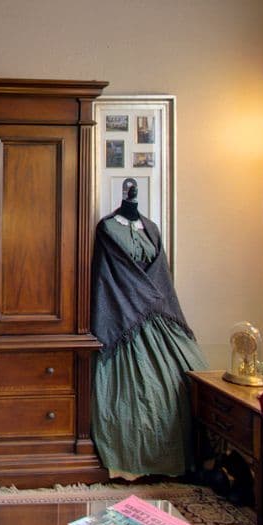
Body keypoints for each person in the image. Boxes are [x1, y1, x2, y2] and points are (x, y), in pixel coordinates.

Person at [89, 178, 206, 479]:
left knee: (188, 378)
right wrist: (144, 298)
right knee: (132, 398)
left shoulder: (151, 228)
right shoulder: (107, 228)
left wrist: (155, 300)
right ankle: (131, 461)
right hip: (124, 310)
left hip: (157, 312)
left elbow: (160, 273)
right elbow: (111, 275)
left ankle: (187, 460)